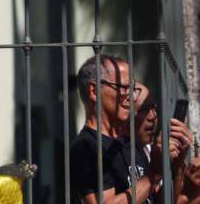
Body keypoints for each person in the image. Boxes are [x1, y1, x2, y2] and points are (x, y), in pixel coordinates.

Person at [68, 55, 192, 204]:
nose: (130, 96)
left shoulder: (129, 142)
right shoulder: (86, 146)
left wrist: (177, 165)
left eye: (132, 89)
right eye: (123, 87)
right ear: (94, 91)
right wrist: (153, 174)